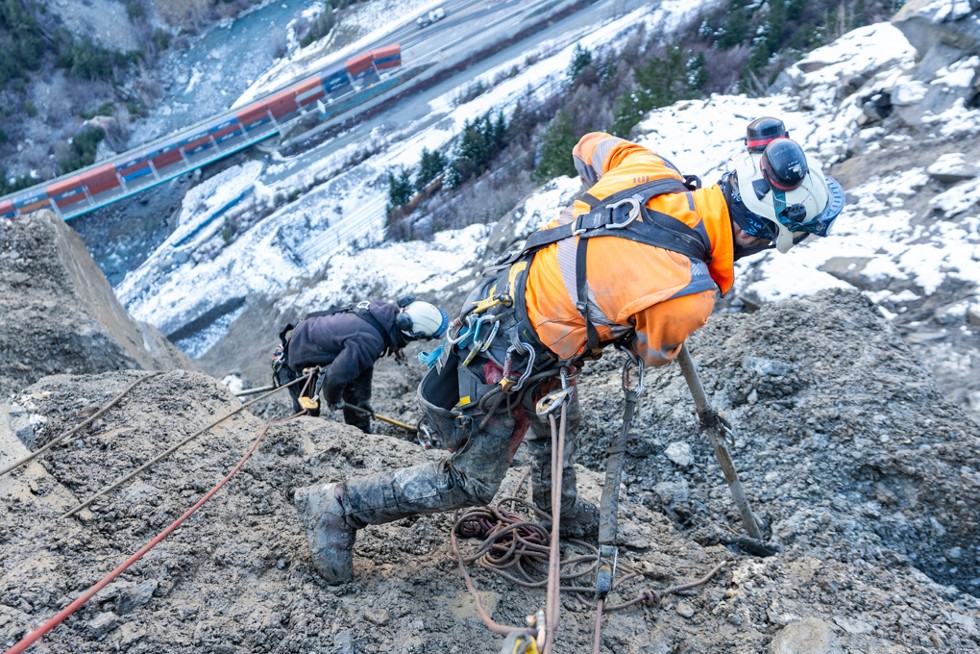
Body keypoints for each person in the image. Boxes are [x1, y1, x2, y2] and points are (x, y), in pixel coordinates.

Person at [294, 118, 845, 583]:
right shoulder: (689, 293)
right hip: (513, 355)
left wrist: (595, 238)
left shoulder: (651, 170)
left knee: (559, 423)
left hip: (504, 297)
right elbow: (652, 351)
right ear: (759, 235)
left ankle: (558, 510)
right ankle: (341, 507)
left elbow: (588, 147)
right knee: (471, 482)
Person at [274, 298, 448, 432]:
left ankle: (361, 435)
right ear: (410, 333)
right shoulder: (370, 339)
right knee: (308, 413)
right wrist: (334, 400)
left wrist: (363, 400)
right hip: (300, 353)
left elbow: (363, 363)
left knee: (355, 396)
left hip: (319, 340)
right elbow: (334, 379)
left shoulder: (383, 317)